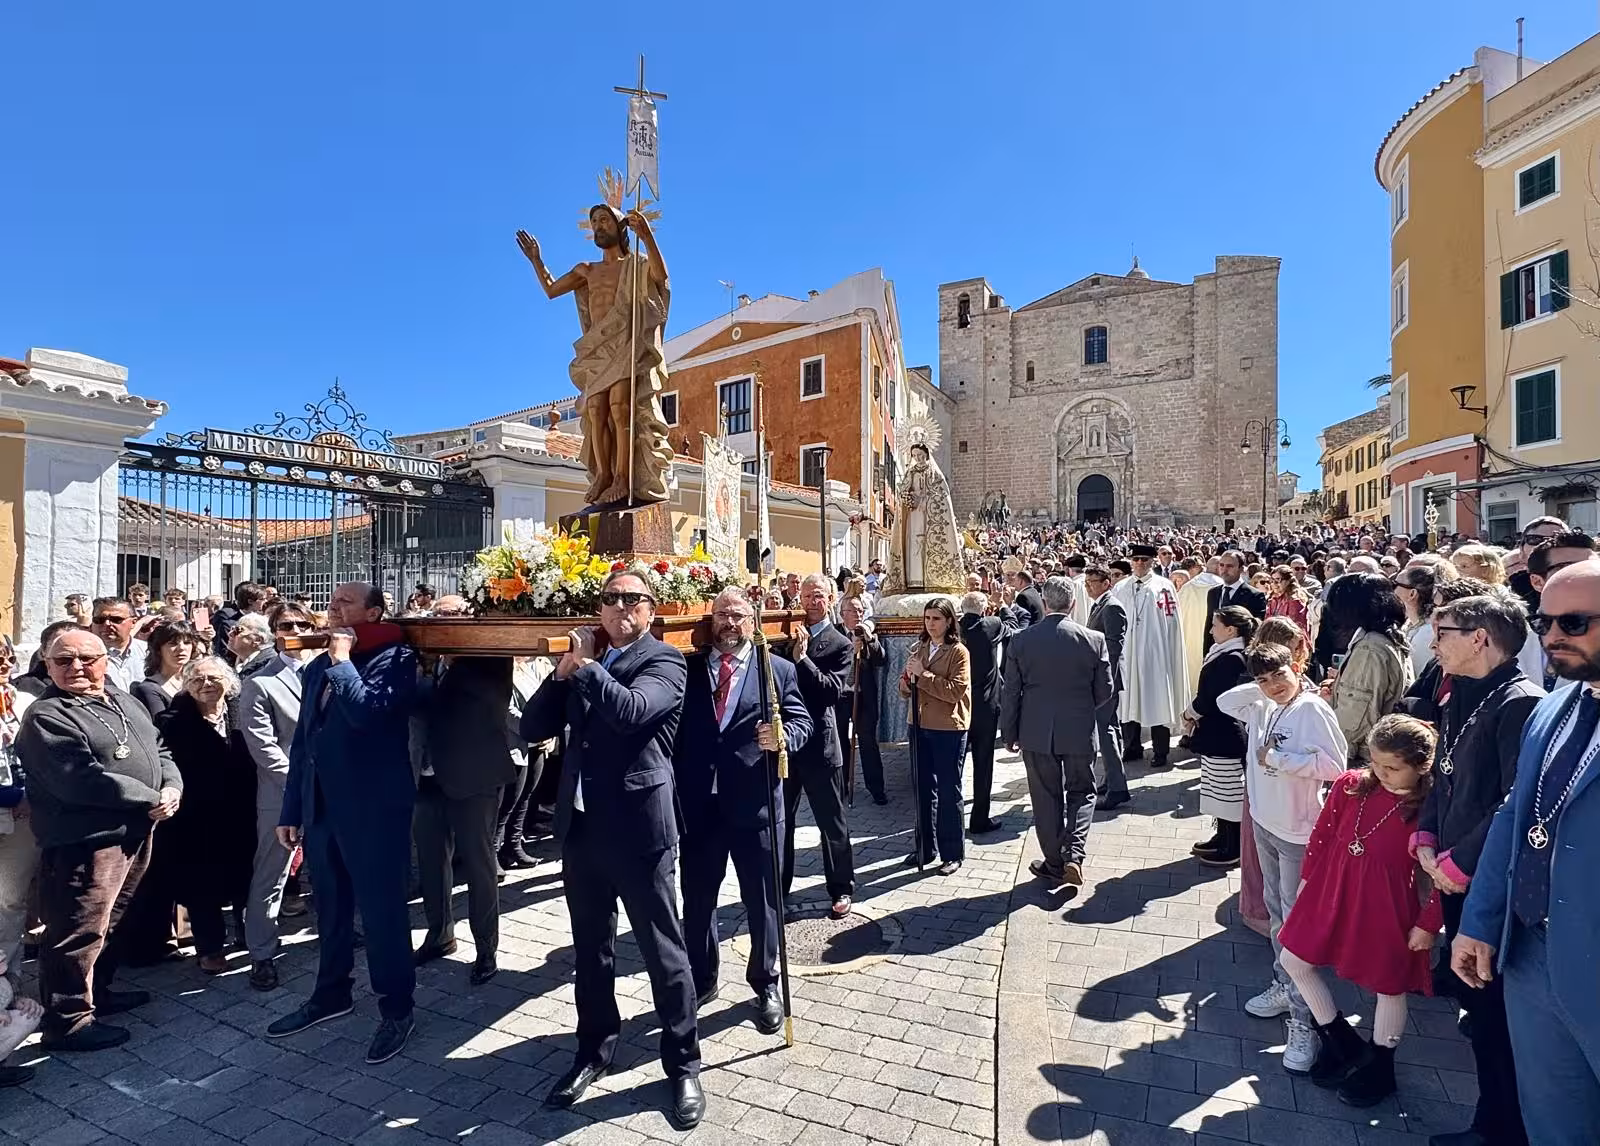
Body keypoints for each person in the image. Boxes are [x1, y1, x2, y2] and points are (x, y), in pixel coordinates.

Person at [519, 568, 703, 1128]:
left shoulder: (665, 661)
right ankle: (593, 1049)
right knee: (591, 951)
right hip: (582, 832)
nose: (621, 607)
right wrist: (560, 673)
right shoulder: (582, 668)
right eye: (611, 599)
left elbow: (629, 713)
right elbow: (531, 727)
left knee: (662, 952)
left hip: (640, 833)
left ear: (651, 610)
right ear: (599, 610)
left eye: (633, 600)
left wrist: (589, 667)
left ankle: (683, 1063)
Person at [1452, 560, 1600, 1144]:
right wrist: (1479, 922)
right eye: (1545, 622)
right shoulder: (1555, 705)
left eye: (1574, 622)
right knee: (1554, 1125)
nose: (1552, 636)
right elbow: (1517, 818)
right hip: (1530, 956)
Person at [1408, 593, 1542, 1146]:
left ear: (1480, 638)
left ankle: (1499, 1130)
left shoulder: (1520, 703)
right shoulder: (1457, 692)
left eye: (1444, 632)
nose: (1434, 642)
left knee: (1493, 1020)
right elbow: (1445, 773)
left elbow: (1514, 800)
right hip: (1450, 869)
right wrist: (1426, 835)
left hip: (1484, 882)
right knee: (1479, 1012)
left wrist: (1459, 863)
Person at [267, 582, 420, 1066]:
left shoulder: (396, 659)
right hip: (322, 810)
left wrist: (343, 662)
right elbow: (303, 745)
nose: (331, 610)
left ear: (373, 613)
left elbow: (367, 715)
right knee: (328, 910)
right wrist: (292, 810)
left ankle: (396, 1007)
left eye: (344, 604)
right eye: (330, 604)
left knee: (381, 915)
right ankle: (331, 993)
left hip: (374, 811)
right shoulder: (318, 666)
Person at [17, 628, 182, 1051]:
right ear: (46, 665)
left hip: (136, 830)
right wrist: (150, 797)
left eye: (87, 658)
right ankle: (67, 1021)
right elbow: (81, 781)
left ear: (105, 660)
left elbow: (160, 748)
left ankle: (99, 993)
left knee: (112, 921)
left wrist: (172, 787)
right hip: (87, 841)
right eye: (63, 660)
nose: (76, 667)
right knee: (77, 930)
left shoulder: (121, 699)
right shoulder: (47, 716)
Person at [1277, 715, 1443, 1108]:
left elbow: (1440, 876)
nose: (1381, 773)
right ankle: (1340, 1039)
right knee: (1294, 959)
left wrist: (1428, 924)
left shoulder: (1430, 810)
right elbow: (1324, 834)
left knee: (1388, 984)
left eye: (1393, 767)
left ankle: (1381, 1063)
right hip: (1332, 890)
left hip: (1384, 906)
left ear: (1422, 766)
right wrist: (1307, 879)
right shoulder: (1351, 786)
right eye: (1376, 763)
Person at [674, 588, 810, 1034]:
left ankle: (766, 983)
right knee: (698, 899)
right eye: (721, 615)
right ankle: (703, 975)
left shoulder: (778, 670)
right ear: (711, 620)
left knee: (763, 900)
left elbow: (802, 720)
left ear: (752, 621)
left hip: (755, 804)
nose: (729, 623)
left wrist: (783, 736)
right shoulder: (689, 669)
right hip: (699, 805)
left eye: (737, 615)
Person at [1216, 643, 1349, 1075]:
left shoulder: (1311, 709)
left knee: (1294, 924)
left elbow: (1336, 766)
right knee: (1277, 915)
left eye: (1279, 675)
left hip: (1297, 830)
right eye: (1263, 678)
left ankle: (1303, 1018)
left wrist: (1279, 758)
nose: (1273, 685)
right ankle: (1284, 983)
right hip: (1266, 822)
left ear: (1296, 668)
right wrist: (1259, 690)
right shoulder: (1262, 705)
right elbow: (1223, 701)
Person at [412, 629, 516, 986]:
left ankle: (486, 948)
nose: (441, 624)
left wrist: (437, 669)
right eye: (437, 618)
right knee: (430, 861)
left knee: (479, 863)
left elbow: (476, 702)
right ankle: (440, 934)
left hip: (475, 778)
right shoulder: (426, 662)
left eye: (449, 617)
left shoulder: (491, 659)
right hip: (427, 779)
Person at [1003, 576, 1114, 887]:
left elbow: (1011, 692)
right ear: (1073, 604)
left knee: (1045, 796)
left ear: (1045, 604)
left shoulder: (1021, 641)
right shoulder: (1093, 639)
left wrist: (1009, 733)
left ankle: (1054, 861)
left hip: (1036, 729)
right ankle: (1074, 854)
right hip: (1078, 727)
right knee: (1082, 791)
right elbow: (1106, 690)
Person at [155, 657, 255, 976]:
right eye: (197, 680)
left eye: (214, 678)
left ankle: (248, 933)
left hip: (242, 809)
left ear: (230, 681)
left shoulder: (245, 712)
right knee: (202, 883)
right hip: (195, 816)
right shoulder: (171, 721)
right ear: (186, 686)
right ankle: (210, 946)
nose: (207, 684)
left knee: (247, 875)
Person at [238, 601, 319, 990]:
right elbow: (264, 746)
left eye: (301, 623)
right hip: (283, 793)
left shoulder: (327, 671)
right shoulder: (259, 681)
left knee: (329, 867)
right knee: (271, 875)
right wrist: (301, 782)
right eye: (286, 624)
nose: (294, 630)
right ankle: (261, 953)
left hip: (331, 789)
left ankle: (334, 930)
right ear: (274, 631)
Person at [779, 574, 856, 918]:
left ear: (831, 599)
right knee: (782, 821)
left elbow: (831, 691)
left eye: (819, 596)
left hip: (821, 745)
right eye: (807, 595)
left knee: (832, 822)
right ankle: (778, 889)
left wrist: (803, 660)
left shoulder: (840, 643)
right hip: (786, 745)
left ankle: (841, 888)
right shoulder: (786, 632)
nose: (811, 601)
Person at [898, 597, 973, 875]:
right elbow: (904, 690)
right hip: (917, 724)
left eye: (937, 619)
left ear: (949, 621)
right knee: (922, 788)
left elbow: (955, 691)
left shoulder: (958, 652)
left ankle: (952, 852)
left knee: (948, 789)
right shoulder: (919, 648)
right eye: (927, 618)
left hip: (947, 728)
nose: (931, 624)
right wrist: (907, 679)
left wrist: (924, 676)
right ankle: (924, 847)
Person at [1185, 606, 1257, 868]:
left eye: (1215, 625)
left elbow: (1213, 697)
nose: (1210, 629)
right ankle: (1222, 835)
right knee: (1217, 788)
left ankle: (1234, 844)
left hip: (1225, 732)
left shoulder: (1233, 657)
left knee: (1229, 791)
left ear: (1231, 629)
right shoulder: (1224, 652)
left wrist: (1190, 712)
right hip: (1214, 731)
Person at [1326, 574, 1414, 763]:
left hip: (1361, 756)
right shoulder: (1389, 637)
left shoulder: (1370, 648)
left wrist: (1334, 754)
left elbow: (1355, 717)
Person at [1114, 544, 1188, 769]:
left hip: (1155, 653)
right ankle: (1132, 746)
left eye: (1144, 560)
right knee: (1129, 700)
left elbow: (1171, 622)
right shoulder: (1120, 587)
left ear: (1152, 562)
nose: (1139, 563)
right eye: (1136, 559)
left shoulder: (1163, 586)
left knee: (1157, 700)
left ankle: (1160, 750)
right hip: (1128, 651)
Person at [958, 591, 1017, 833]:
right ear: (983, 610)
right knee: (983, 764)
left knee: (955, 765)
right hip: (985, 706)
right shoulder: (990, 625)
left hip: (958, 706)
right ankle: (980, 818)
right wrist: (1002, 604)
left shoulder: (954, 627)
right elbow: (1013, 626)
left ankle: (950, 815)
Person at [0, 638, 35, 1003]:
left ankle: (7, 985)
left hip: (21, 817)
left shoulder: (24, 702)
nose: (3, 663)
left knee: (10, 901)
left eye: (6, 656)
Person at [498, 656, 555, 871]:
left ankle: (513, 846)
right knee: (508, 802)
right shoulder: (503, 668)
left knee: (525, 798)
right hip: (515, 742)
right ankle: (493, 851)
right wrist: (534, 731)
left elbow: (547, 702)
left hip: (538, 745)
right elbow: (506, 709)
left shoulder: (538, 665)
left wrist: (549, 731)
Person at [1083, 567, 1130, 810]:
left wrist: (1104, 683)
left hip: (1105, 681)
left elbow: (1113, 649)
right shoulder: (1099, 605)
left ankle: (1117, 788)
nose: (1088, 586)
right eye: (1087, 581)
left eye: (1093, 582)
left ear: (1106, 583)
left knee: (1106, 732)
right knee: (1110, 730)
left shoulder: (1112, 607)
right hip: (1102, 679)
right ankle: (1114, 779)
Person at [837, 594, 888, 806]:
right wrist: (851, 651)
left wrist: (867, 642)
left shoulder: (868, 634)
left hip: (863, 695)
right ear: (842, 615)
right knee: (840, 741)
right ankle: (842, 785)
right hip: (840, 695)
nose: (858, 615)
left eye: (860, 611)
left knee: (867, 742)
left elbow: (881, 659)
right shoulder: (835, 633)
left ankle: (876, 789)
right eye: (853, 611)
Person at [130, 621, 202, 718]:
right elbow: (162, 725)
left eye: (187, 643)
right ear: (158, 649)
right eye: (173, 643)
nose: (181, 648)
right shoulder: (148, 689)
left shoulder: (198, 680)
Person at [1204, 551, 1267, 653]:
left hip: (1240, 654)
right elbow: (1209, 625)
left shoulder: (1254, 595)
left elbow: (1255, 629)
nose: (1224, 570)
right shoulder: (1213, 592)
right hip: (1216, 651)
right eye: (1221, 565)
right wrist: (1206, 654)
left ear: (1241, 569)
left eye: (1230, 566)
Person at [1179, 557, 1224, 696]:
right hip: (1213, 640)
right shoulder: (1221, 588)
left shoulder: (1187, 586)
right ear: (1219, 568)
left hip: (1188, 640)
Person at [91, 597, 146, 693]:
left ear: (133, 622)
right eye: (100, 619)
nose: (107, 624)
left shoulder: (150, 652)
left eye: (116, 619)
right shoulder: (80, 656)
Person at [212, 582, 273, 661]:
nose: (266, 601)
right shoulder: (229, 622)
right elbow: (224, 651)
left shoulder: (263, 619)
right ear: (250, 601)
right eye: (262, 599)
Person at [228, 611, 275, 678]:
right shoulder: (235, 660)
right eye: (232, 629)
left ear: (257, 640)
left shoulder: (268, 666)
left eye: (238, 630)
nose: (230, 633)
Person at [1267, 565, 1311, 633]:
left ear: (1288, 581)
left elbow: (1296, 629)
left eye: (1278, 580)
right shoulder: (1273, 599)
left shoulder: (1295, 601)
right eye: (1272, 580)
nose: (1274, 584)